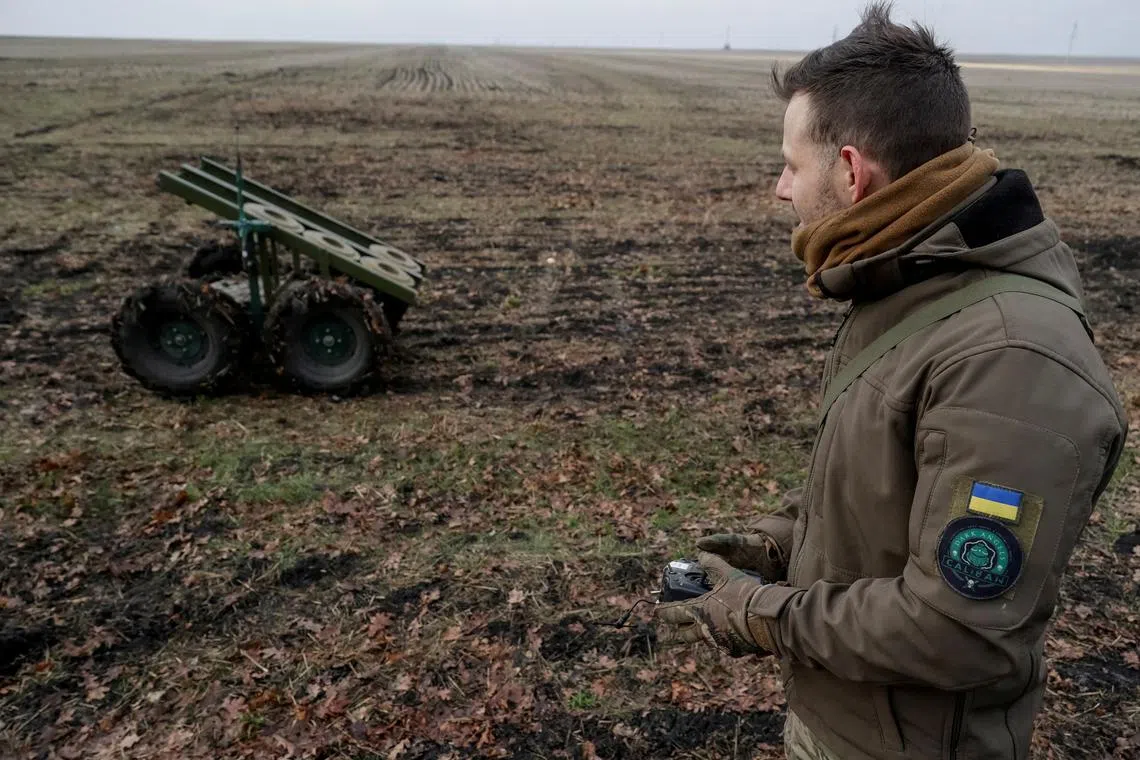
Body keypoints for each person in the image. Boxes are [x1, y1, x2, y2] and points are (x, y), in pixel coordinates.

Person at [653, 3, 1128, 759]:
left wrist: (758, 613)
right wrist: (777, 544)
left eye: (791, 164)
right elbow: (888, 500)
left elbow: (957, 630)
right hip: (850, 720)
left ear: (850, 172)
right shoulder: (910, 286)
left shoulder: (1010, 360)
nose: (780, 188)